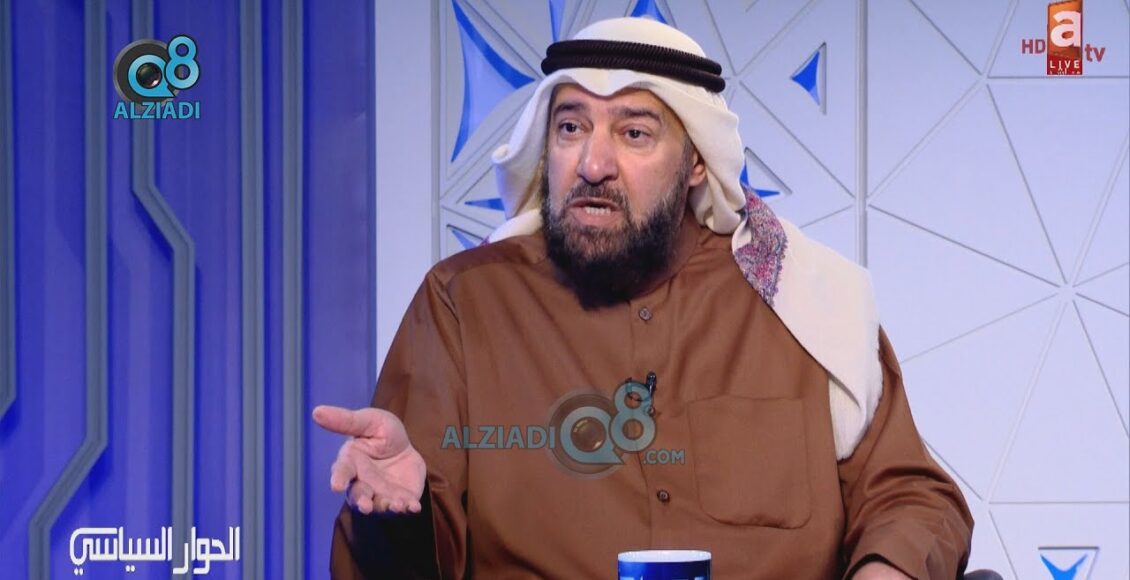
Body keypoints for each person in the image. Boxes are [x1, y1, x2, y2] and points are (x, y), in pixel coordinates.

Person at [314, 17, 973, 579]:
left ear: (695, 162)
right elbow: (402, 559)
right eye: (571, 128)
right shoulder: (466, 302)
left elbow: (910, 497)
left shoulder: (798, 297)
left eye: (633, 134)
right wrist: (397, 515)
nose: (593, 164)